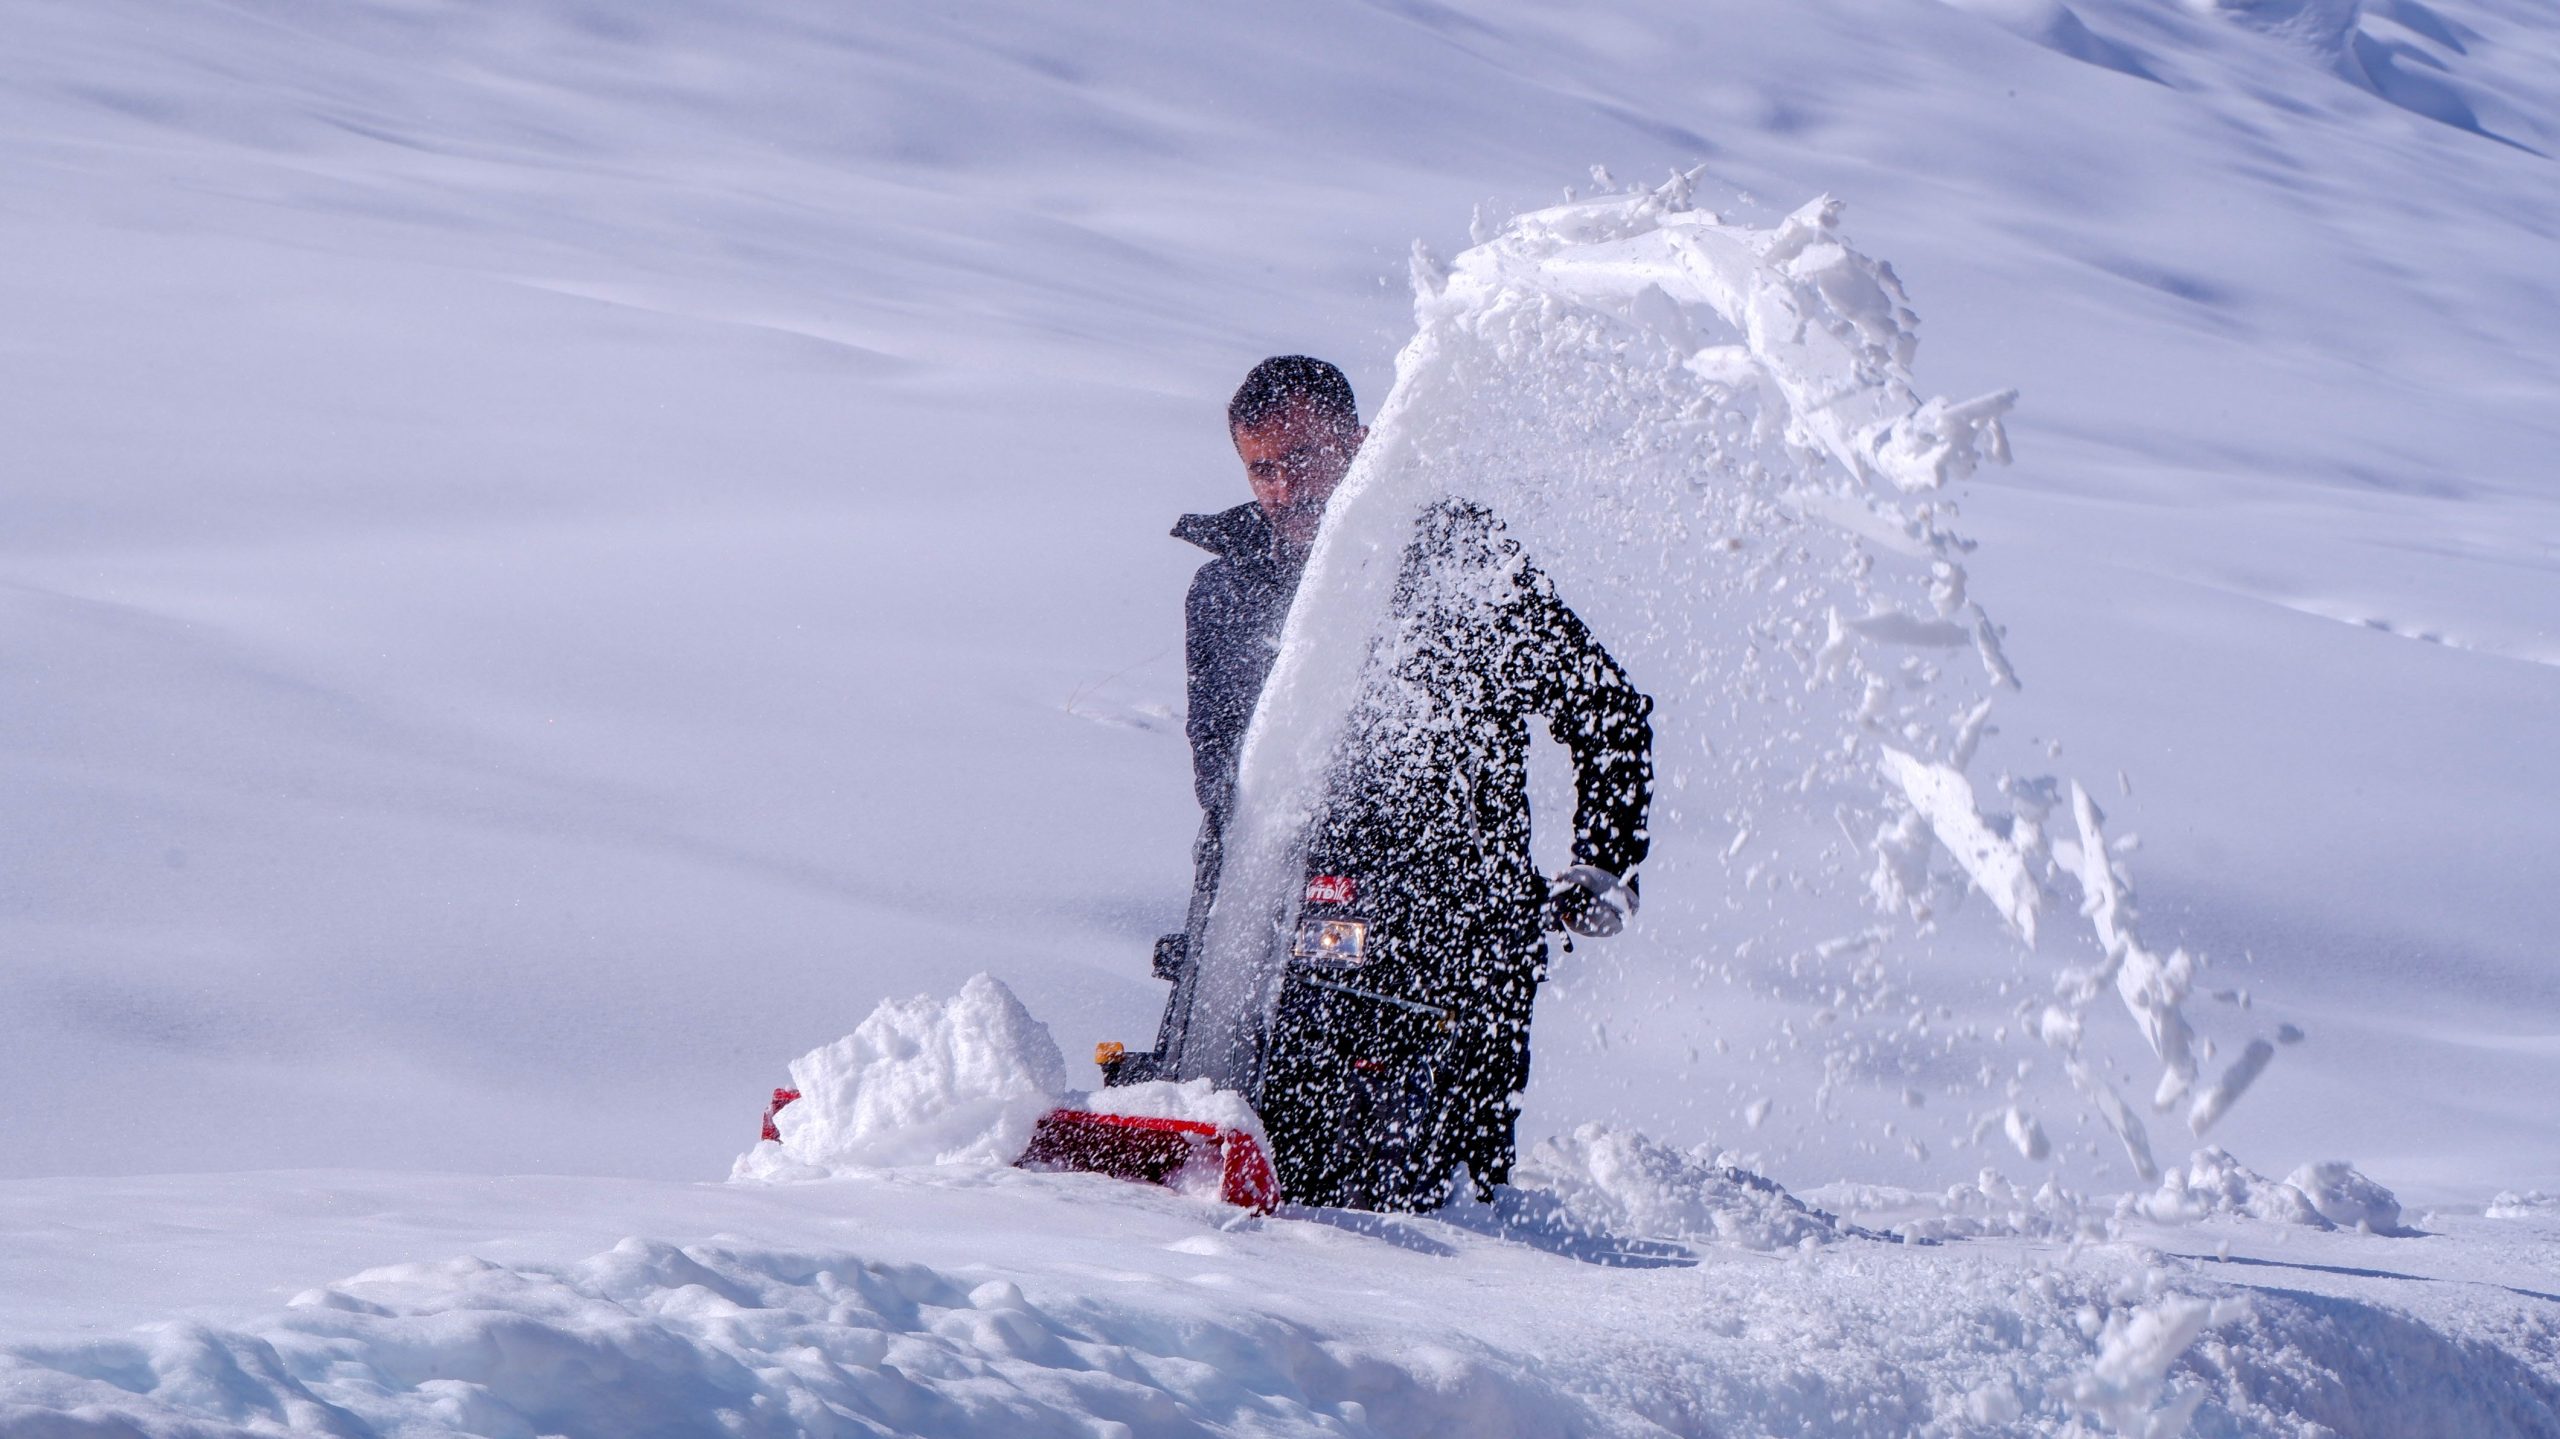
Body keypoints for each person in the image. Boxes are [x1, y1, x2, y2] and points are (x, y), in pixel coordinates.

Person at [1168, 355, 1653, 1211]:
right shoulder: (1225, 589)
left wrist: (1601, 863)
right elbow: (1222, 773)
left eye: (1308, 454)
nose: (1287, 486)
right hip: (1269, 925)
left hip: (1457, 949)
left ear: (1360, 444)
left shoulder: (1458, 561)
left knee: (1442, 1209)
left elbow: (1607, 709)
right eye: (1263, 467)